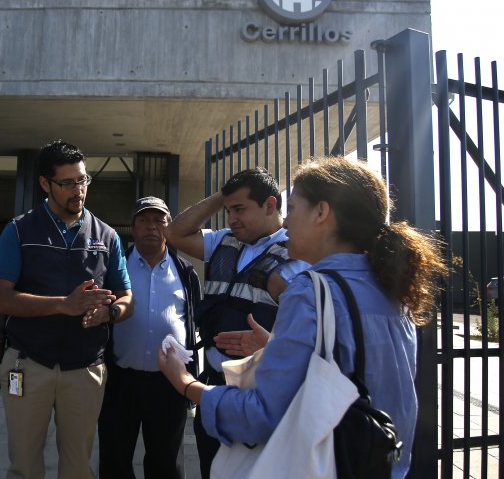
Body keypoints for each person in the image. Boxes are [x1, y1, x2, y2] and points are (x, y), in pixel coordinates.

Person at [159, 156, 445, 478]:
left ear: (322, 213)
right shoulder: (392, 288)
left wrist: (185, 383)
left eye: (293, 209)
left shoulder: (309, 292)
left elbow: (262, 416)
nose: (285, 223)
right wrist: (274, 347)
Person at [0, 139, 133, 479]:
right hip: (26, 364)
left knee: (78, 466)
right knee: (24, 464)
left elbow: (127, 298)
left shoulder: (107, 236)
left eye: (82, 180)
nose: (78, 190)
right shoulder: (19, 230)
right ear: (45, 184)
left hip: (85, 369)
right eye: (67, 183)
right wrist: (64, 305)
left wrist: (110, 313)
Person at [164, 167, 308, 478]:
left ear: (270, 205)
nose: (231, 219)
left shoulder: (298, 253)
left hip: (261, 387)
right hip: (215, 382)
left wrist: (269, 345)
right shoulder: (223, 241)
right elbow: (174, 233)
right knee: (210, 467)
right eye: (228, 210)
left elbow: (311, 336)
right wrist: (225, 195)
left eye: (240, 209)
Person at [97, 196, 201, 479]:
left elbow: (194, 325)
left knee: (166, 463)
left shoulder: (186, 273)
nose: (151, 226)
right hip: (120, 383)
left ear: (168, 227)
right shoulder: (114, 269)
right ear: (133, 227)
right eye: (144, 220)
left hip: (168, 386)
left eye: (159, 220)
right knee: (114, 459)